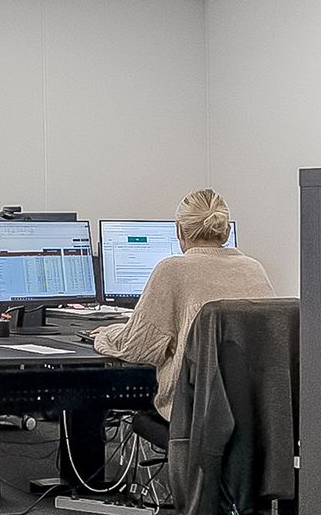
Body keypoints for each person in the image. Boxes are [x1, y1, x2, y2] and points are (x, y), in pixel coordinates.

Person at [89, 188, 272, 442]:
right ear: (226, 231)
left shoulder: (172, 270)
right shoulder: (254, 268)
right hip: (257, 414)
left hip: (194, 412)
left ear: (179, 230)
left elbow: (137, 347)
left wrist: (107, 334)